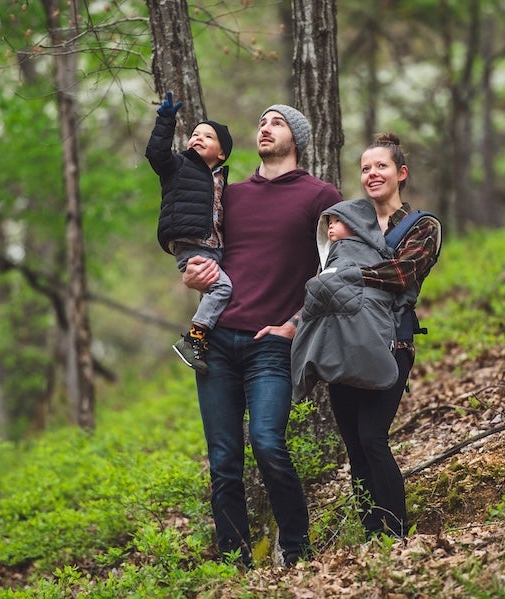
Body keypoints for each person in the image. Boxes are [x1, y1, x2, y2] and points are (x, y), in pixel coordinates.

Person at [181, 104, 343, 568]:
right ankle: (236, 565)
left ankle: (296, 548)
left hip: (271, 343)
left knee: (268, 442)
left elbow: (339, 270)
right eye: (262, 123)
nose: (265, 128)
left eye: (276, 122)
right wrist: (191, 276)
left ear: (297, 136)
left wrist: (296, 322)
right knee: (224, 462)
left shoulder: (320, 196)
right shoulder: (228, 195)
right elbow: (201, 253)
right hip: (215, 342)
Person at [328, 132, 442, 539]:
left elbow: (403, 274)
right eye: (365, 168)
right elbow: (324, 279)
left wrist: (350, 272)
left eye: (381, 166)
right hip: (343, 344)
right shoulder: (347, 223)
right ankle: (372, 534)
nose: (372, 174)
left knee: (372, 437)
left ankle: (396, 533)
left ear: (401, 174)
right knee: (354, 449)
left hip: (391, 342)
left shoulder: (422, 226)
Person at [145, 92, 234, 375]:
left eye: (207, 137)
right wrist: (165, 120)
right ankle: (194, 338)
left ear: (221, 153)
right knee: (223, 288)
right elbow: (156, 154)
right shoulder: (179, 166)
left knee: (226, 287)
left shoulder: (220, 179)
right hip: (190, 245)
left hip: (212, 247)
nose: (197, 138)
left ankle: (210, 339)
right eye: (195, 134)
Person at [290, 199, 399, 403]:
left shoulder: (367, 253)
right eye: (329, 221)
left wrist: (320, 284)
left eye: (338, 220)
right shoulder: (332, 258)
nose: (331, 225)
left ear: (358, 223)